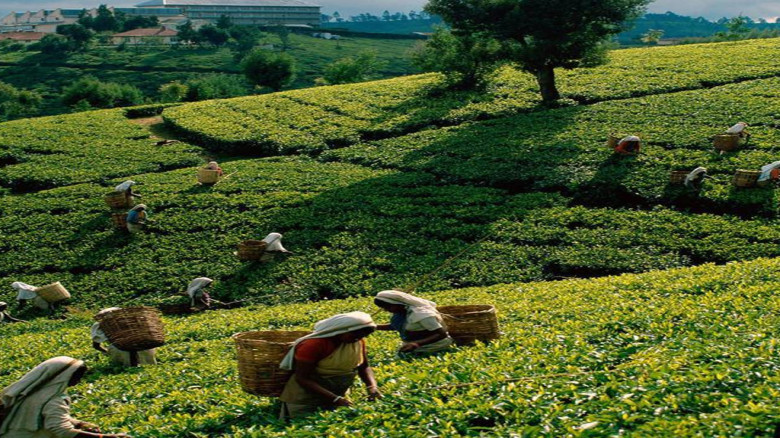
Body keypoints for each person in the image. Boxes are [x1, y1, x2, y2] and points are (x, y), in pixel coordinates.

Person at [279, 311, 381, 419]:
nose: (358, 338)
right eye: (355, 335)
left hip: (337, 393)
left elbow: (364, 366)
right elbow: (302, 378)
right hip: (306, 398)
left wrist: (372, 386)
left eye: (363, 336)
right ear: (340, 331)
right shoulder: (314, 345)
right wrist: (336, 399)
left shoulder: (357, 342)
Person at [0, 356, 132, 437]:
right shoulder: (53, 400)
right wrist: (106, 437)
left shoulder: (26, 392)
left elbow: (43, 416)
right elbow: (62, 431)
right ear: (63, 376)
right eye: (77, 377)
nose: (79, 381)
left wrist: (78, 423)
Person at [374, 290, 453, 356]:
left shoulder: (422, 314)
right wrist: (373, 326)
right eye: (384, 308)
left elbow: (441, 334)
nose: (386, 310)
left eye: (388, 307)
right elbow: (396, 326)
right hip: (411, 346)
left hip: (433, 346)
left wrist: (416, 344)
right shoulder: (400, 313)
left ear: (398, 303)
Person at [91, 308, 157, 367]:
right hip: (144, 348)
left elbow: (96, 345)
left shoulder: (100, 325)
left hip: (119, 349)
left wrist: (107, 352)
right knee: (148, 368)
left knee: (123, 370)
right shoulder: (134, 320)